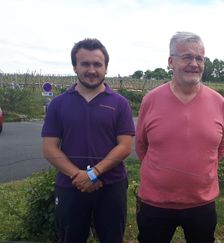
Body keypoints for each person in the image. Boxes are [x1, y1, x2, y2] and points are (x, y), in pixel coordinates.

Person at [135, 31, 224, 243]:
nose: (194, 63)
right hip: (155, 204)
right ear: (171, 61)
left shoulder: (218, 102)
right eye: (187, 57)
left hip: (201, 205)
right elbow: (142, 146)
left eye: (199, 58)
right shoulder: (151, 100)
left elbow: (220, 148)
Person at [41, 38, 135, 243]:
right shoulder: (58, 104)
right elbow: (49, 148)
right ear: (75, 67)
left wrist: (93, 173)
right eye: (85, 64)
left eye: (97, 64)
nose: (91, 70)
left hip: (111, 186)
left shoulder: (120, 103)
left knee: (112, 238)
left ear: (106, 68)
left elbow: (125, 146)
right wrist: (79, 176)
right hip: (70, 185)